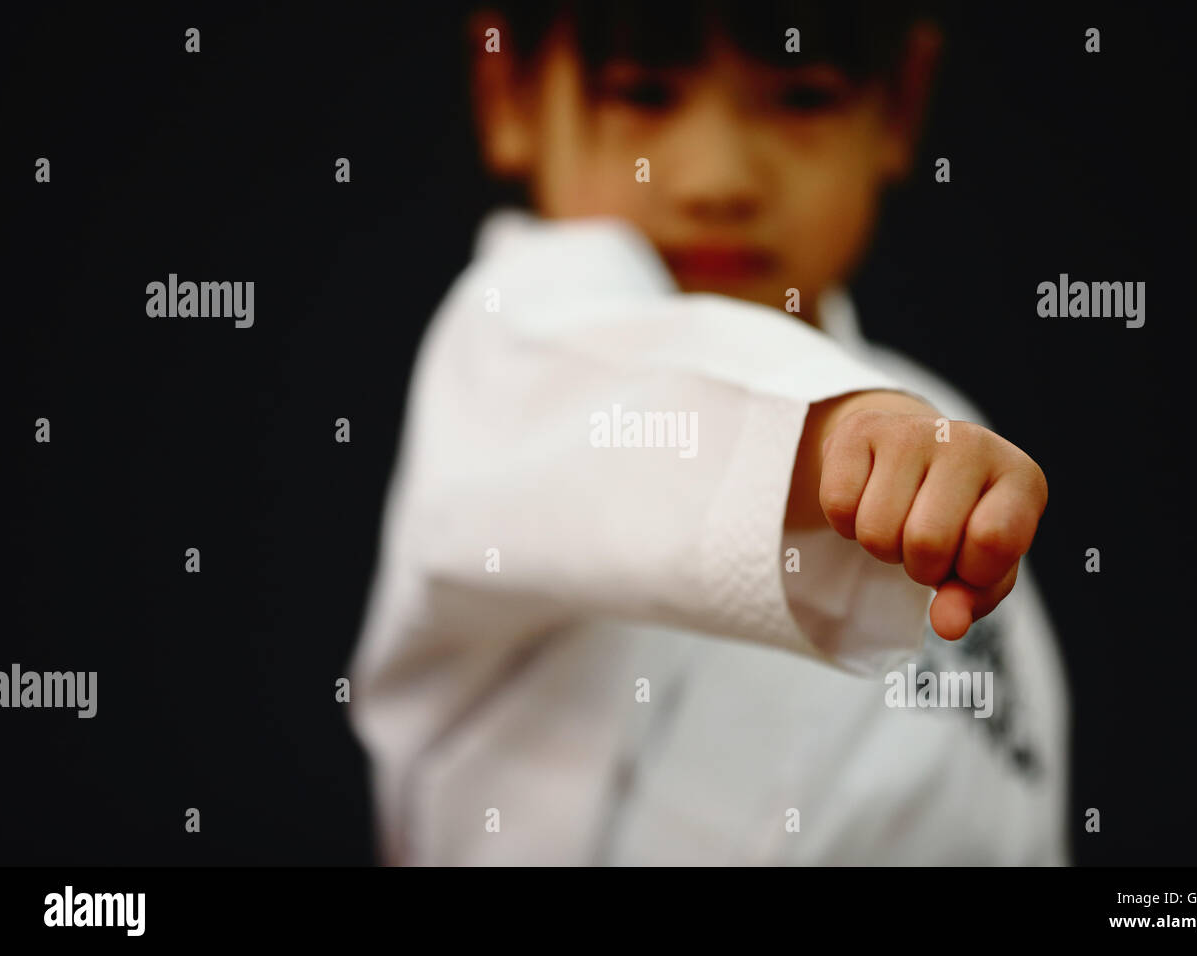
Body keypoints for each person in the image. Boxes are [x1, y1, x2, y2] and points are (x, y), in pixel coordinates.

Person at [347, 0, 1070, 865]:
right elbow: (639, 404)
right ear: (508, 91)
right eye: (644, 93)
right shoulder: (511, 344)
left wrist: (875, 431)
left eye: (803, 97)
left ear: (903, 102)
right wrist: (840, 438)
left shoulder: (942, 436)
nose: (717, 178)